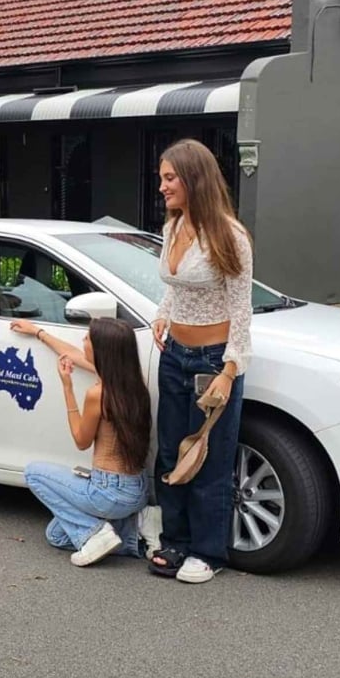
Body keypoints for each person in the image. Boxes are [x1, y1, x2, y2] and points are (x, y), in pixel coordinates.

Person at [148, 138, 254, 584]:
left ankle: (208, 552)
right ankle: (174, 541)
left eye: (170, 178)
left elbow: (241, 308)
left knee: (210, 455)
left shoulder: (229, 235)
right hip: (174, 353)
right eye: (161, 178)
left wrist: (230, 371)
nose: (162, 187)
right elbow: (176, 284)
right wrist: (163, 315)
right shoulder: (174, 227)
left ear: (194, 178)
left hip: (214, 359)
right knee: (171, 450)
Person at [11, 316, 153, 567]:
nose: (83, 340)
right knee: (55, 536)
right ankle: (135, 531)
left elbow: (81, 441)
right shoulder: (132, 382)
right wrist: (38, 332)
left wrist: (67, 388)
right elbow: (73, 353)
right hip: (136, 490)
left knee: (34, 473)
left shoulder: (98, 393)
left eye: (88, 338)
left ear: (101, 351)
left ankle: (96, 533)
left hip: (107, 493)